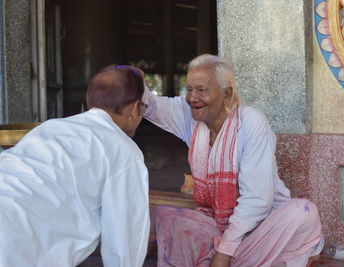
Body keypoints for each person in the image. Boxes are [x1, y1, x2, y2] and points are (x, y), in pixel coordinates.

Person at [143, 54, 323, 266]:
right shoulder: (190, 114)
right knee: (165, 215)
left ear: (226, 93)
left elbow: (257, 200)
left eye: (201, 90)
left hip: (262, 229)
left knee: (303, 212)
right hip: (217, 224)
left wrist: (224, 253)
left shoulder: (250, 123)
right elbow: (150, 106)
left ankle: (227, 259)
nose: (192, 98)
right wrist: (134, 79)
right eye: (189, 89)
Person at [0, 65, 150, 267]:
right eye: (144, 108)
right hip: (15, 238)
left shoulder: (51, 126)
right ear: (134, 108)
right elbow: (126, 237)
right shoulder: (123, 151)